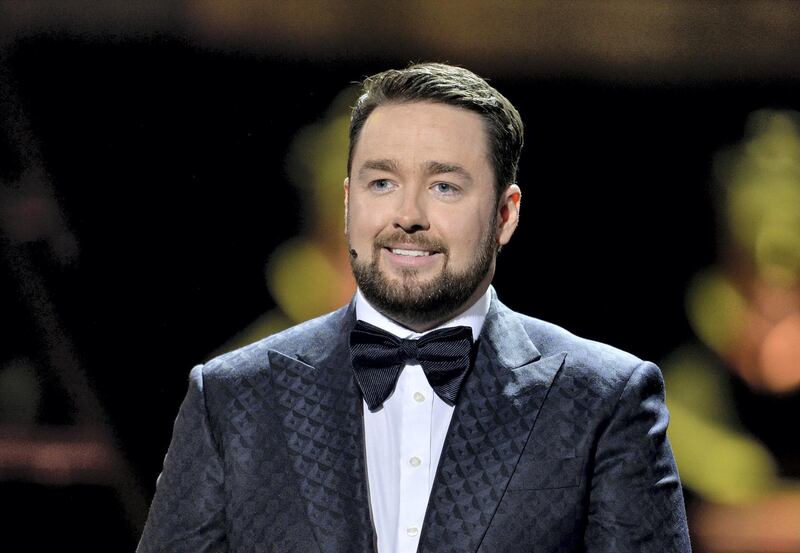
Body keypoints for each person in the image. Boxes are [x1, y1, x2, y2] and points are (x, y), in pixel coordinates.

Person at [138, 63, 691, 553]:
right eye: (382, 182)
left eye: (445, 186)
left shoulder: (604, 402)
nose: (407, 215)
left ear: (505, 214)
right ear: (349, 202)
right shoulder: (231, 397)